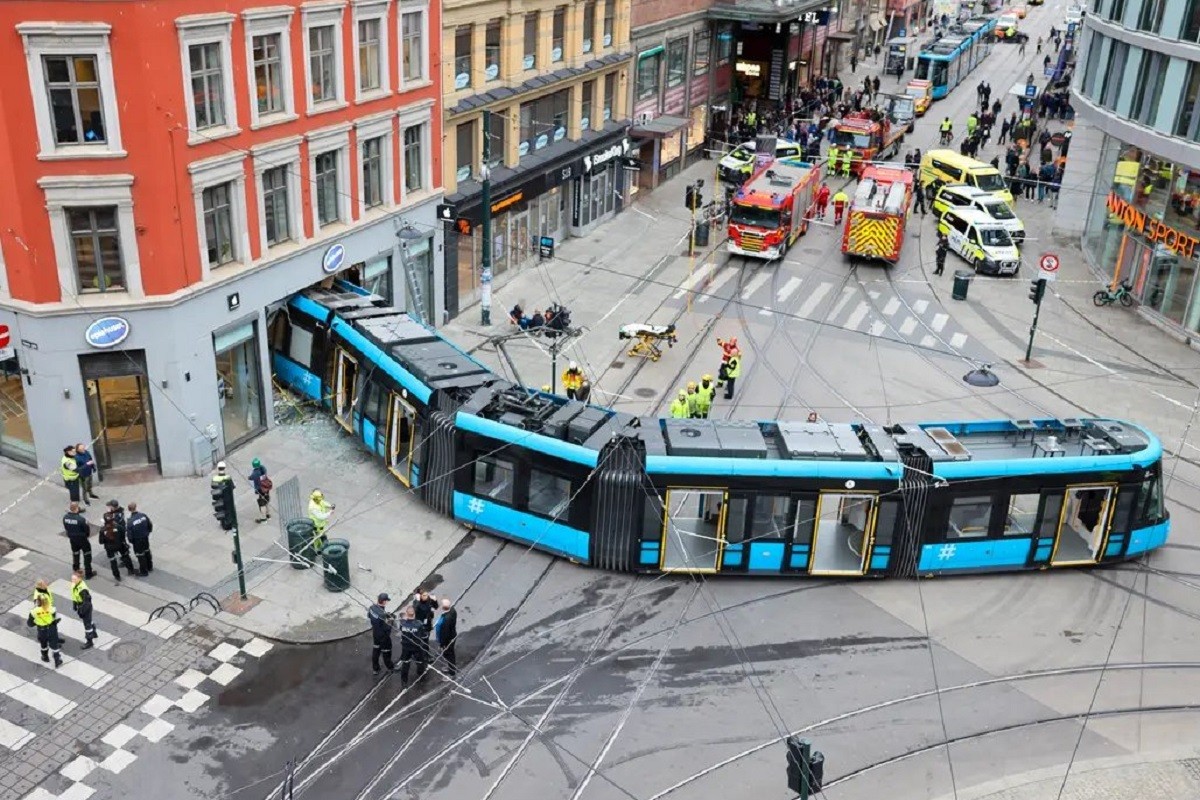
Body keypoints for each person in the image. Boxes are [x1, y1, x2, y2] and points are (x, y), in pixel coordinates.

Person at [100, 499, 135, 581]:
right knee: (125, 555)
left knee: (113, 561)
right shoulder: (118, 521)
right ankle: (130, 569)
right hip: (119, 543)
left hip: (110, 546)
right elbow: (122, 532)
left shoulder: (103, 529)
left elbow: (101, 541)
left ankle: (117, 576)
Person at [27, 595, 62, 668]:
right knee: (54, 644)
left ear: (38, 602)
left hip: (42, 630)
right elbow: (57, 619)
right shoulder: (52, 609)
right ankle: (57, 660)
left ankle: (45, 657)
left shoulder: (34, 611)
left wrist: (36, 622)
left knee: (43, 644)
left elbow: (29, 624)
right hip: (51, 628)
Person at [398, 606, 429, 686]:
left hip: (406, 647)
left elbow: (401, 632)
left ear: (407, 614)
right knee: (420, 662)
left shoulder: (402, 624)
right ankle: (421, 675)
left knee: (405, 664)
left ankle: (404, 681)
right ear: (414, 614)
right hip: (416, 647)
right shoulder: (419, 624)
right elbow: (424, 636)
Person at [63, 502, 95, 578]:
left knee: (75, 553)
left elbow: (66, 528)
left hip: (73, 539)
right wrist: (85, 536)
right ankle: (88, 573)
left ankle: (76, 568)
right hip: (82, 539)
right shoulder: (81, 519)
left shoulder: (65, 517)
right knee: (87, 554)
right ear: (77, 508)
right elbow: (87, 530)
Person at [368, 593, 396, 675]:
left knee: (376, 651)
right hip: (383, 637)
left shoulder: (372, 608)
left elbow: (370, 616)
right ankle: (390, 667)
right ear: (384, 602)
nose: (387, 602)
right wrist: (391, 620)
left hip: (375, 633)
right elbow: (387, 628)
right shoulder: (382, 615)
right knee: (386, 652)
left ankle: (375, 669)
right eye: (386, 601)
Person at [71, 570, 98, 650]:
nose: (72, 581)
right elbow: (74, 595)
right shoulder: (75, 584)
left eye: (74, 579)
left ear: (80, 579)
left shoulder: (83, 590)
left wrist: (81, 611)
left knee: (87, 625)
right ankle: (94, 632)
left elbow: (86, 603)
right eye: (72, 579)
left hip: (85, 607)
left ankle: (89, 641)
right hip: (80, 605)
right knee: (89, 620)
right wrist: (75, 605)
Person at [126, 502, 153, 576]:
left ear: (129, 510)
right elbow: (150, 525)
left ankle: (144, 572)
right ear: (136, 507)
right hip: (145, 537)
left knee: (140, 555)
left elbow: (129, 536)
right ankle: (150, 566)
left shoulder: (130, 521)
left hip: (137, 540)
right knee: (147, 551)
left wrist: (132, 541)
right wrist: (147, 532)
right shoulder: (143, 515)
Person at [435, 597, 458, 678]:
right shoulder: (453, 611)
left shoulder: (446, 620)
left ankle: (452, 672)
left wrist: (442, 644)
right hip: (453, 636)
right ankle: (451, 668)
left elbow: (445, 634)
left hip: (448, 641)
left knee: (449, 655)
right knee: (450, 654)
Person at [249, 458, 272, 523]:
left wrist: (249, 477)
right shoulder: (263, 468)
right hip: (266, 487)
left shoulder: (255, 472)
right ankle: (268, 515)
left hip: (260, 489)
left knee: (262, 504)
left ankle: (263, 519)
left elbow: (251, 477)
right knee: (266, 500)